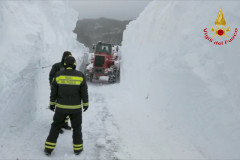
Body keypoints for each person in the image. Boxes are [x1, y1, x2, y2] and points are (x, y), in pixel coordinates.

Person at [44, 56, 89, 156]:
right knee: (77, 128)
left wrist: (52, 103)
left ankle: (48, 149)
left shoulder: (58, 75)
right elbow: (84, 92)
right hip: (76, 109)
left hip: (61, 108)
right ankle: (78, 149)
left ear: (64, 65)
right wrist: (86, 104)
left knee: (55, 127)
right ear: (74, 65)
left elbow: (53, 91)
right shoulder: (80, 75)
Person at [49, 51, 72, 131]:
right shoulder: (57, 66)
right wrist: (52, 86)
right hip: (58, 90)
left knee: (67, 108)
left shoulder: (71, 66)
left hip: (67, 91)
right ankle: (58, 126)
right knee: (59, 109)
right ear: (63, 57)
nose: (68, 58)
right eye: (67, 57)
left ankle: (65, 124)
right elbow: (51, 76)